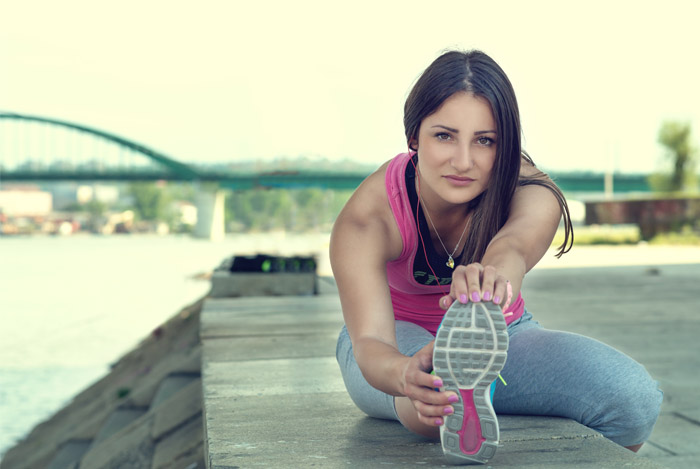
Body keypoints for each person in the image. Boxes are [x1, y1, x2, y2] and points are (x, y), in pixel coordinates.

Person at [330, 49, 662, 464]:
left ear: (504, 146)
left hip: (503, 336)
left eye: (485, 141)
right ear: (414, 136)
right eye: (444, 135)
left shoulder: (529, 188)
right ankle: (453, 397)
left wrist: (491, 279)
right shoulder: (367, 219)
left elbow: (515, 246)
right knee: (437, 399)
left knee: (633, 402)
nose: (464, 162)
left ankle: (477, 390)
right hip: (397, 340)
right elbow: (370, 340)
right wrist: (403, 376)